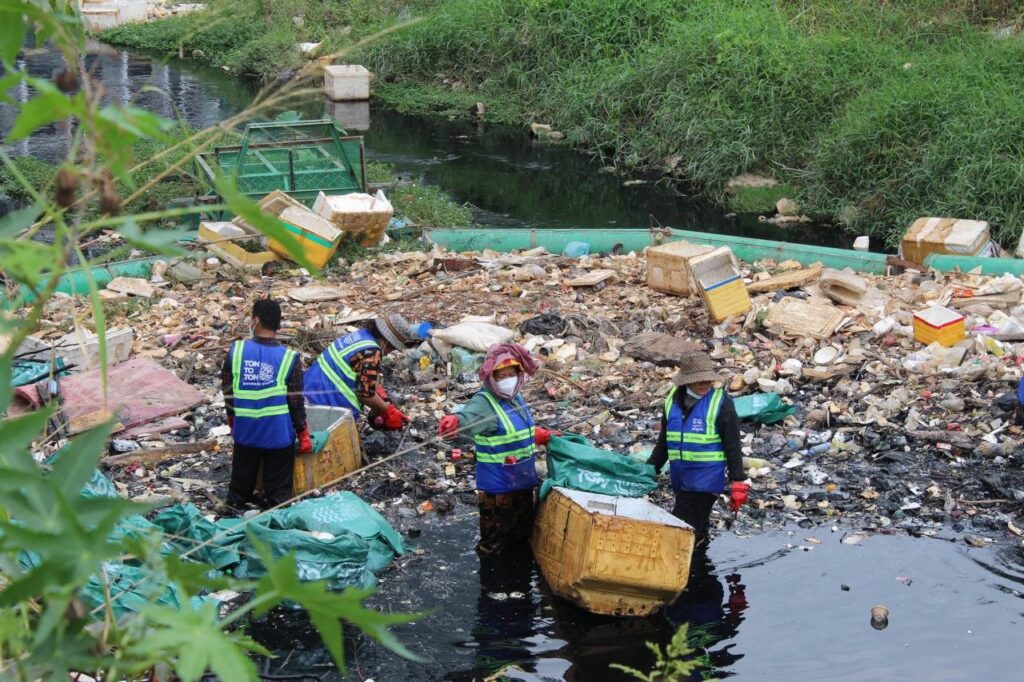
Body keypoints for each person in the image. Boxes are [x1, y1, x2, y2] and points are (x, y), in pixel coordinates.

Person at [437, 343, 557, 555]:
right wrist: (455, 423)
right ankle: (490, 576)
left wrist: (541, 436)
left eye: (512, 374)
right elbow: (468, 419)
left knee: (521, 538)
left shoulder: (515, 398)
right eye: (502, 376)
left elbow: (517, 430)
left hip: (521, 484)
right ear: (491, 377)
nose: (508, 380)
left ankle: (519, 575)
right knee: (494, 545)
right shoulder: (484, 403)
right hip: (499, 492)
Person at [647, 351, 749, 553]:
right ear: (686, 381)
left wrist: (738, 480)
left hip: (706, 480)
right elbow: (664, 443)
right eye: (699, 380)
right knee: (696, 528)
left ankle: (686, 564)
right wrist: (650, 470)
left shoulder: (721, 403)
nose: (704, 384)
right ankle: (699, 563)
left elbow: (732, 444)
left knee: (681, 526)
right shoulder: (672, 402)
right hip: (681, 478)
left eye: (707, 379)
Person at [222, 298, 311, 509]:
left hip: (246, 433)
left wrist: (232, 420)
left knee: (239, 488)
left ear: (255, 320)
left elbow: (228, 391)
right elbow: (295, 401)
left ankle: (234, 506)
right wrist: (303, 434)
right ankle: (275, 509)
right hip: (277, 436)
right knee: (278, 497)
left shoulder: (237, 351)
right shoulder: (289, 358)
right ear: (278, 324)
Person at [303, 314, 416, 430]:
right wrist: (388, 411)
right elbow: (365, 395)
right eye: (391, 348)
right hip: (321, 406)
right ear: (386, 341)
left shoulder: (360, 336)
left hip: (307, 391)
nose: (388, 353)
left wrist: (376, 389)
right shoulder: (372, 352)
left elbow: (353, 371)